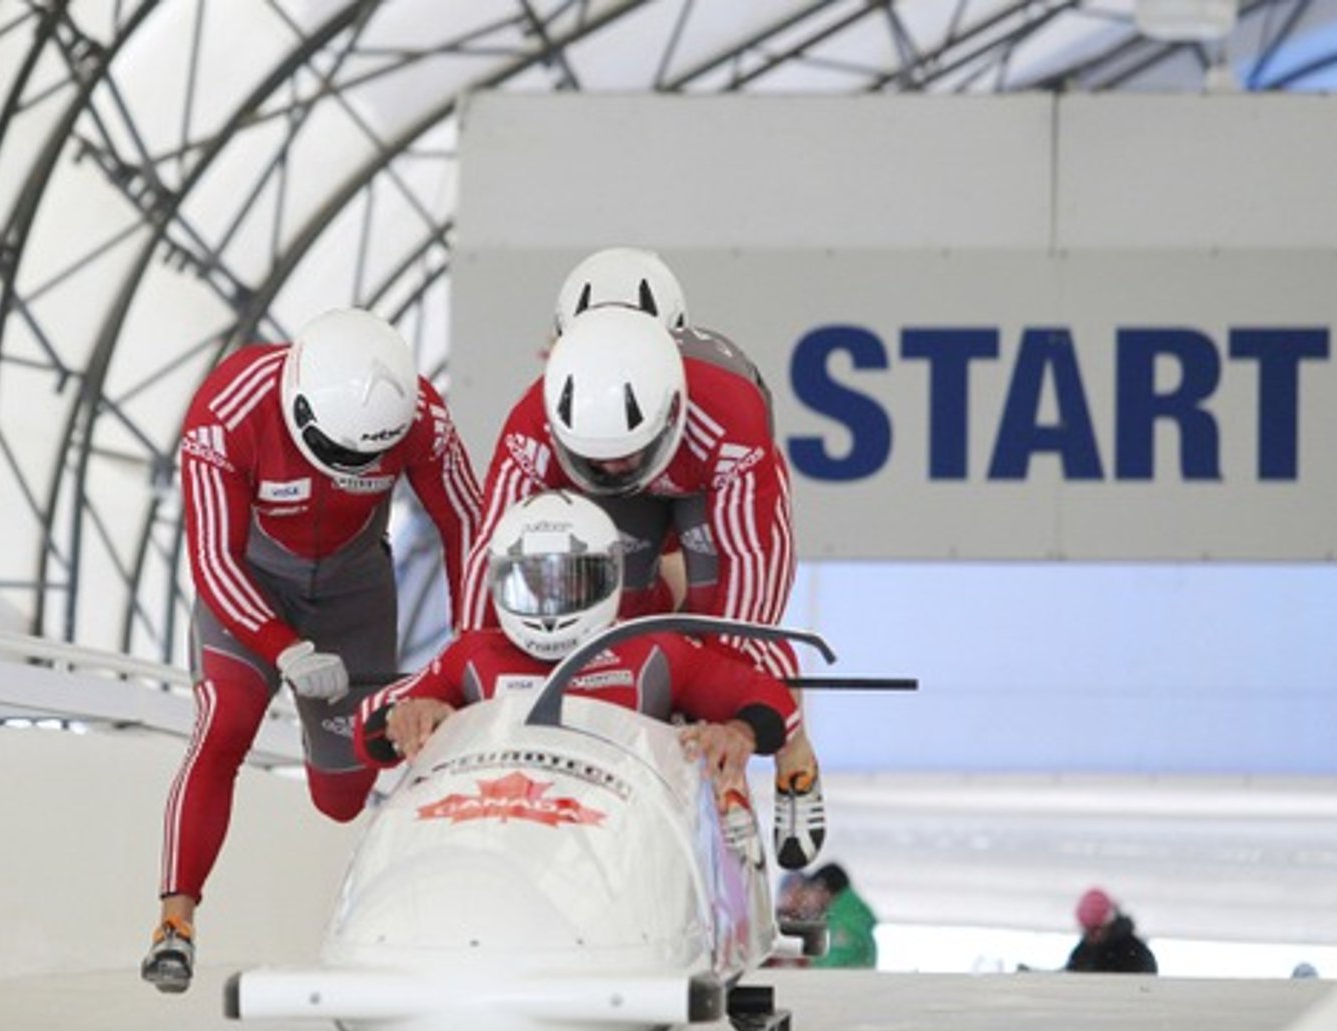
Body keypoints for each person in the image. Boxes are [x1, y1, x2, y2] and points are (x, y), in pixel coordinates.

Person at [140, 307, 482, 994]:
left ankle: (322, 735)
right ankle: (174, 924)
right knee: (223, 726)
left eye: (366, 458)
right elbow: (212, 557)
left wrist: (471, 641)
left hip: (353, 596)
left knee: (341, 795)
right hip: (251, 590)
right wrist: (283, 648)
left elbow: (467, 525)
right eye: (338, 451)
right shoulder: (227, 410)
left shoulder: (424, 420)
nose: (352, 467)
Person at [459, 297, 826, 872]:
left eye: (624, 454)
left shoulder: (733, 421)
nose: (612, 467)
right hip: (618, 506)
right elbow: (493, 550)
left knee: (715, 641)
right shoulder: (533, 420)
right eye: (597, 456)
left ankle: (796, 760)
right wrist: (477, 673)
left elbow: (752, 581)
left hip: (712, 487)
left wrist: (721, 706)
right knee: (609, 613)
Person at [355, 489, 801, 853]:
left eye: (570, 580)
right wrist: (405, 715)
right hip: (494, 834)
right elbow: (370, 724)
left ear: (607, 577)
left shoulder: (653, 652)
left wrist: (739, 731)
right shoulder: (473, 655)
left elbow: (771, 699)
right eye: (533, 582)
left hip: (623, 840)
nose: (551, 601)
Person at [1065, 887, 1158, 975]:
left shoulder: (1136, 955)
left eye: (1095, 929)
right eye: (1086, 930)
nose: (1092, 936)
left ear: (1109, 923)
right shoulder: (1081, 953)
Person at [808, 862, 879, 969]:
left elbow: (834, 968)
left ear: (821, 887)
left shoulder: (844, 923)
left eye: (813, 891)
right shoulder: (854, 917)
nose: (810, 899)